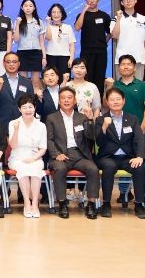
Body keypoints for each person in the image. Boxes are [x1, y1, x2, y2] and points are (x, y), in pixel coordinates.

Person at [45, 86, 99, 219]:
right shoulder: (52, 118)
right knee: (60, 169)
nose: (66, 100)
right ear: (59, 101)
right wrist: (56, 154)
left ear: (75, 101)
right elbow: (49, 140)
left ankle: (91, 204)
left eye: (69, 98)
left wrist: (90, 120)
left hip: (80, 155)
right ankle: (62, 204)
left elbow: (91, 137)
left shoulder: (82, 117)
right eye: (63, 98)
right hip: (60, 155)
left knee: (93, 169)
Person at [95, 88, 145, 219]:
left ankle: (139, 204)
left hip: (127, 157)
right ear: (107, 102)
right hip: (108, 156)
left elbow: (139, 139)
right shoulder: (101, 119)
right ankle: (106, 204)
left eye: (118, 99)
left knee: (139, 167)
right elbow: (99, 142)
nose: (115, 102)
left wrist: (140, 156)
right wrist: (104, 127)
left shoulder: (132, 119)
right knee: (109, 166)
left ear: (123, 101)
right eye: (112, 99)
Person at [8, 95, 47, 218]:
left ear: (35, 108)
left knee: (36, 169)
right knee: (23, 169)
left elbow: (43, 148)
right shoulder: (13, 123)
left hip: (35, 157)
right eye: (24, 107)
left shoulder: (41, 125)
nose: (28, 110)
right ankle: (26, 203)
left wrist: (34, 158)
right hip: (17, 158)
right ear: (19, 109)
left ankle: (34, 203)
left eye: (30, 107)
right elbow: (13, 146)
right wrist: (16, 130)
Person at [74, 0, 111, 95]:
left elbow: (110, 33)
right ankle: (86, 100)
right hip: (86, 52)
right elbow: (77, 27)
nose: (91, 1)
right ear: (86, 0)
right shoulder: (81, 15)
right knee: (86, 77)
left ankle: (98, 102)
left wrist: (104, 42)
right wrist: (84, 11)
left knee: (99, 76)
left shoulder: (104, 16)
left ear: (98, 0)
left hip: (101, 52)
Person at [110, 0, 145, 80]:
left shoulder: (143, 19)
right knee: (121, 86)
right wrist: (119, 19)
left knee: (138, 86)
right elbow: (115, 36)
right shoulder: (115, 19)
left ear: (135, 1)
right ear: (122, 3)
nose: (128, 1)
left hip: (139, 59)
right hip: (121, 60)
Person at [0, 52, 34, 129]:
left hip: (23, 125)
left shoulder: (27, 82)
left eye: (14, 62)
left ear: (19, 64)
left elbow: (32, 104)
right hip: (3, 125)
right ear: (4, 64)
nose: (11, 64)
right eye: (8, 62)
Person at [106, 55, 145, 129]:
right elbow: (105, 105)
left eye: (129, 64)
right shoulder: (113, 84)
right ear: (119, 68)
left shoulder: (144, 85)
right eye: (122, 64)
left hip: (138, 127)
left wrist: (143, 127)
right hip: (116, 128)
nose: (126, 67)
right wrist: (108, 87)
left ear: (134, 68)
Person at [13, 0, 45, 91]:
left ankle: (35, 99)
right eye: (26, 6)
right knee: (23, 81)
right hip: (22, 53)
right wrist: (18, 24)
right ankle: (24, 99)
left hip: (36, 53)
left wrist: (44, 57)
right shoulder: (18, 21)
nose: (28, 8)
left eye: (30, 6)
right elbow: (16, 40)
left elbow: (41, 42)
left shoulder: (39, 21)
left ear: (34, 8)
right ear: (22, 7)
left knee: (35, 81)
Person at [44, 3, 75, 78]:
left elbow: (72, 44)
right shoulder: (47, 27)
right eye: (54, 12)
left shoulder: (68, 27)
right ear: (50, 14)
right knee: (51, 79)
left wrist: (71, 59)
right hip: (50, 57)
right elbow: (48, 38)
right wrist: (47, 24)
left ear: (62, 14)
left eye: (59, 12)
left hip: (65, 58)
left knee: (64, 80)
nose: (56, 14)